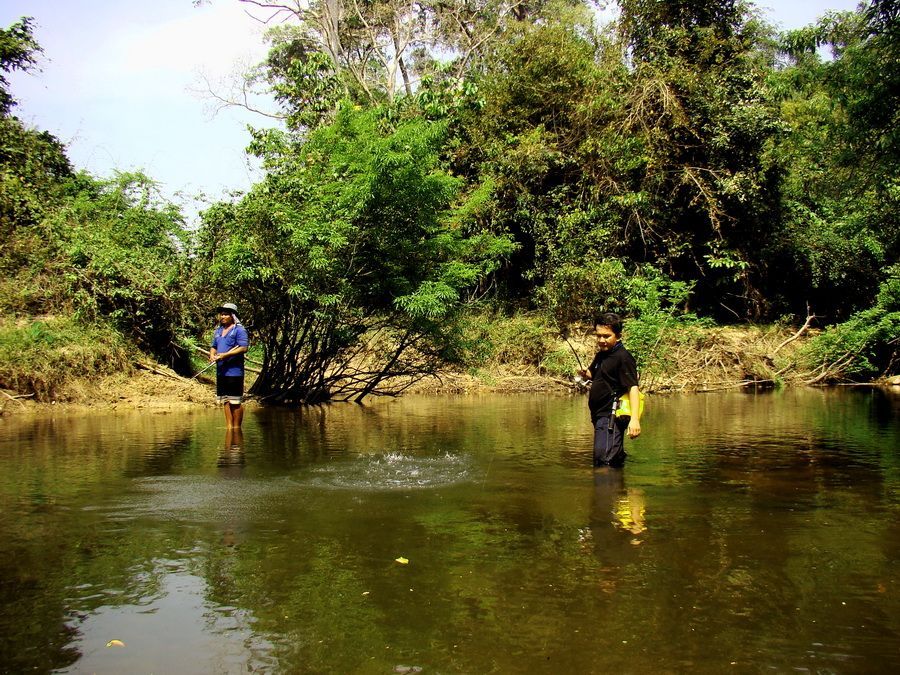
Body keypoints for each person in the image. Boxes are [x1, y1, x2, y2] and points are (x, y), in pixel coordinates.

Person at [578, 312, 642, 467]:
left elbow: (633, 387)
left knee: (603, 461)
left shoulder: (623, 357)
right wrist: (585, 373)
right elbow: (595, 374)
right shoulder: (602, 355)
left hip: (611, 416)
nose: (601, 340)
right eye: (598, 336)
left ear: (618, 336)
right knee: (612, 458)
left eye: (606, 336)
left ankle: (607, 489)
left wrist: (635, 420)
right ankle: (618, 488)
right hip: (599, 415)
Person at [210, 302, 249, 429]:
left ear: (233, 316)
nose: (222, 317)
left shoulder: (239, 330)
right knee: (225, 400)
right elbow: (214, 346)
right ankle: (229, 427)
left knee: (235, 401)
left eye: (226, 314)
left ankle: (237, 429)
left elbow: (243, 348)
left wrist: (225, 355)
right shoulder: (218, 331)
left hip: (234, 372)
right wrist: (212, 355)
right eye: (221, 314)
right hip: (221, 371)